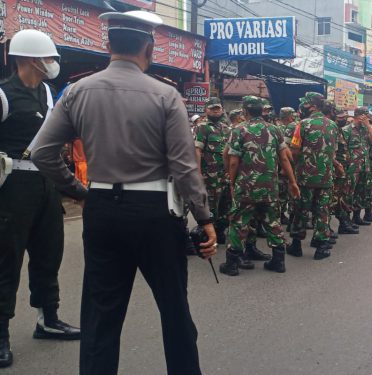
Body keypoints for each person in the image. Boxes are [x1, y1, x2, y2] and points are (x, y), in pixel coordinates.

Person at [31, 10, 217, 374]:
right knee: (174, 311)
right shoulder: (166, 95)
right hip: (156, 214)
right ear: (149, 48)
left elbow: (41, 152)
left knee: (101, 316)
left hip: (102, 209)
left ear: (107, 45)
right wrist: (205, 217)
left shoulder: (78, 92)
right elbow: (183, 167)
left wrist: (79, 190)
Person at [0, 29, 81, 369]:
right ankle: (0, 335)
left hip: (46, 184)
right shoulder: (3, 95)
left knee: (49, 254)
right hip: (12, 186)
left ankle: (48, 318)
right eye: (49, 58)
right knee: (6, 262)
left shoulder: (49, 94)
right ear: (31, 59)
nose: (53, 64)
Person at [219, 96, 300, 276]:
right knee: (273, 222)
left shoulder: (238, 129)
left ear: (245, 112)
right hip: (270, 186)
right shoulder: (275, 129)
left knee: (239, 222)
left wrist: (232, 182)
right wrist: (293, 182)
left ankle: (232, 264)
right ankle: (278, 261)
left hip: (246, 186)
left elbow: (233, 161)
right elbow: (285, 158)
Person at [287, 92, 343, 260]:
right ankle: (321, 247)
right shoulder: (333, 126)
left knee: (301, 209)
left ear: (311, 106)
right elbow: (333, 152)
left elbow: (295, 150)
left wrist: (292, 166)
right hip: (326, 176)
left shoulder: (302, 124)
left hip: (305, 176)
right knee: (322, 210)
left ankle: (296, 245)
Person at [194, 97, 231, 244]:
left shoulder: (226, 128)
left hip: (225, 174)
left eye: (218, 108)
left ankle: (220, 231)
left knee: (225, 205)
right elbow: (197, 150)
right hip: (210, 175)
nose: (216, 111)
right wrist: (197, 173)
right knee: (211, 205)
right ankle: (207, 234)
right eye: (213, 108)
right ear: (206, 110)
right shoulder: (202, 127)